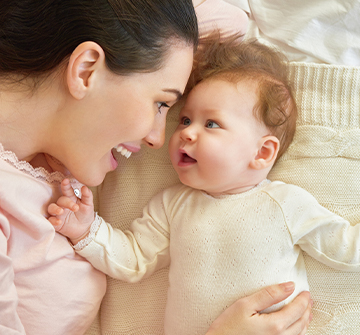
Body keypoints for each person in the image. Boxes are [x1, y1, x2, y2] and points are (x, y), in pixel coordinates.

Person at [0, 0, 311, 334]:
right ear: (86, 70)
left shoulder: (56, 147)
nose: (158, 139)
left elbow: (229, 21)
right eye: (161, 103)